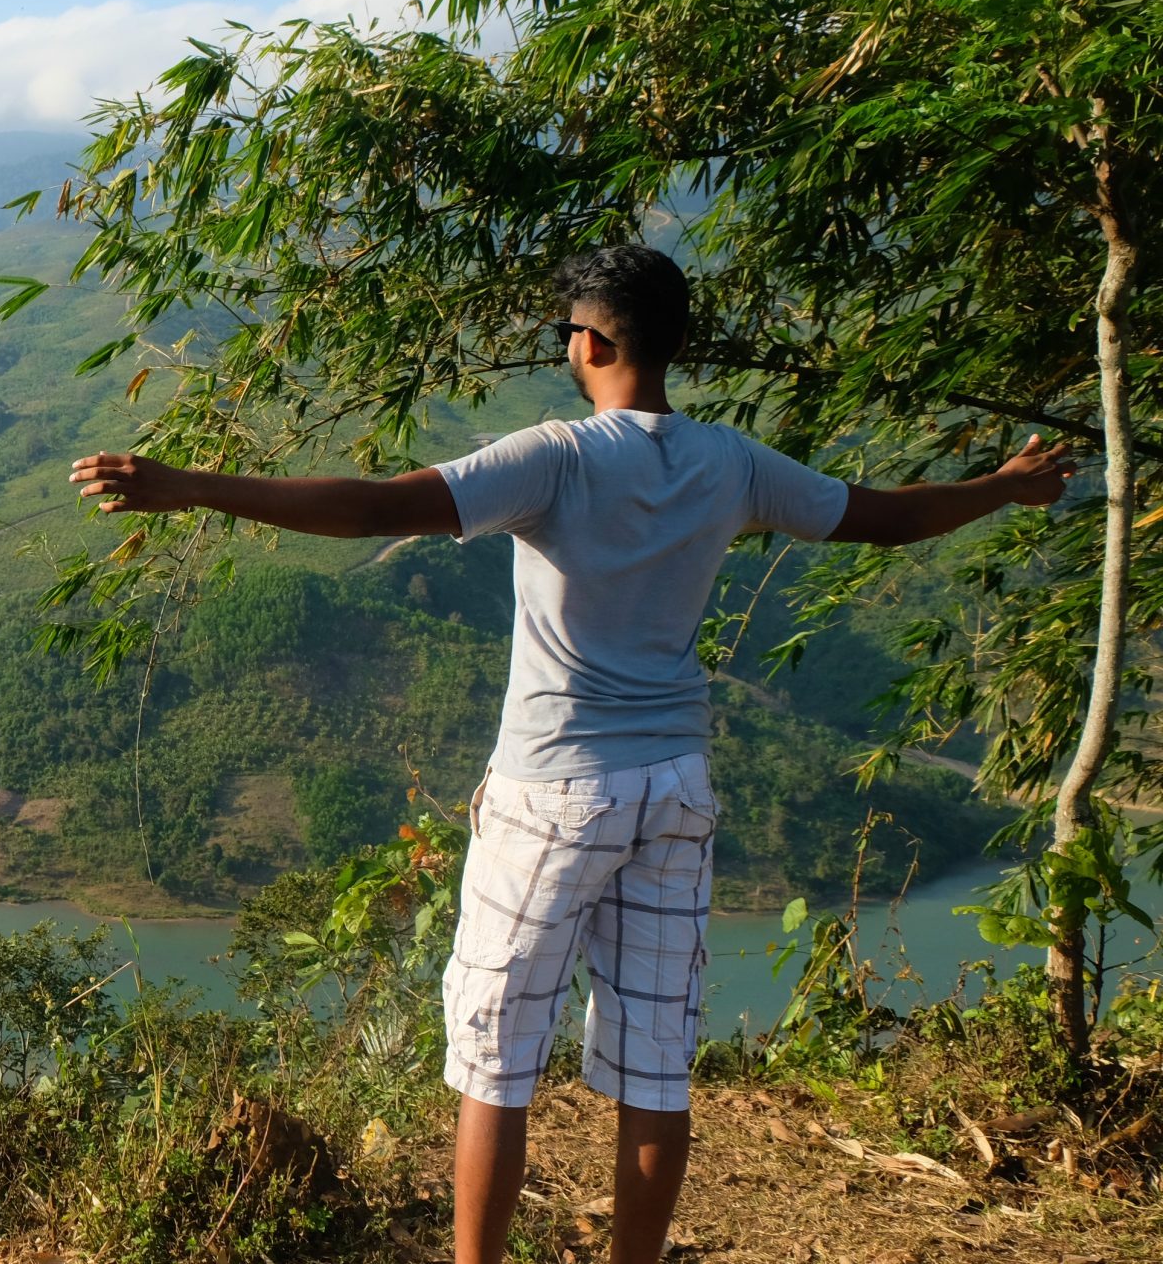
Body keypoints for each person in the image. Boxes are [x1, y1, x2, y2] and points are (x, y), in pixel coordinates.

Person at [66, 243, 1071, 1264]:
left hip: (552, 788)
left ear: (586, 341)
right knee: (653, 1064)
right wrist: (1005, 483)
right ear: (672, 344)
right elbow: (887, 518)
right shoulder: (730, 461)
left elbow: (376, 505)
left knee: (496, 1057)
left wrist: (191, 485)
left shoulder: (556, 455)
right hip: (674, 786)